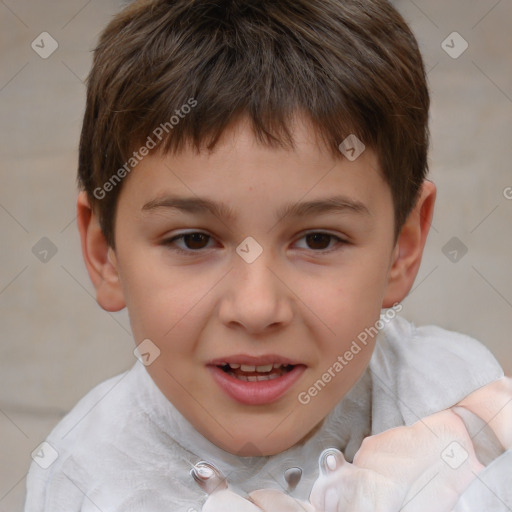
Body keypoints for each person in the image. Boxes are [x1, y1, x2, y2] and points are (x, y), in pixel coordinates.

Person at [24, 0, 512, 510]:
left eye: (319, 240)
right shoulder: (80, 481)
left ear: (402, 249)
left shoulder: (458, 400)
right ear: (106, 255)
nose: (256, 309)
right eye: (193, 240)